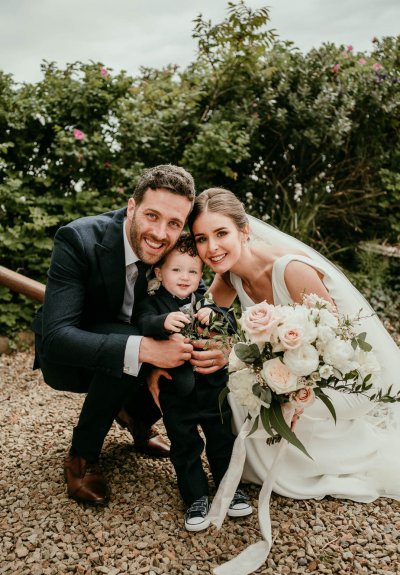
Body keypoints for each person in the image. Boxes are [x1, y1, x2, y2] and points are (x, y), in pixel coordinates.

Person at [184, 187, 400, 503]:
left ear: (243, 231)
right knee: (234, 388)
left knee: (249, 396)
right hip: (289, 373)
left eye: (221, 233)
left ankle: (329, 453)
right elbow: (202, 324)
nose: (212, 248)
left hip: (342, 379)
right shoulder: (231, 275)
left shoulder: (290, 269)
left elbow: (336, 344)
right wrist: (216, 348)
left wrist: (297, 391)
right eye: (201, 238)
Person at [31, 164, 223, 506]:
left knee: (184, 352)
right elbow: (56, 336)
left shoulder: (175, 247)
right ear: (131, 207)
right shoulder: (78, 239)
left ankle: (137, 419)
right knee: (131, 344)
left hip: (136, 341)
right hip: (72, 357)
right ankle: (81, 456)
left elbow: (196, 297)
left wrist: (215, 346)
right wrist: (145, 351)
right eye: (152, 215)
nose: (161, 234)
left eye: (174, 224)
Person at [133, 234, 252, 531]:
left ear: (201, 275)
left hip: (213, 390)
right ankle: (195, 496)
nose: (185, 277)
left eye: (192, 271)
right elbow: (141, 322)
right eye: (176, 270)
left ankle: (230, 488)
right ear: (160, 273)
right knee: (184, 446)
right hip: (177, 395)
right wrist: (162, 323)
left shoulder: (205, 300)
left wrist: (214, 312)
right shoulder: (153, 303)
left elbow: (229, 321)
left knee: (223, 439)